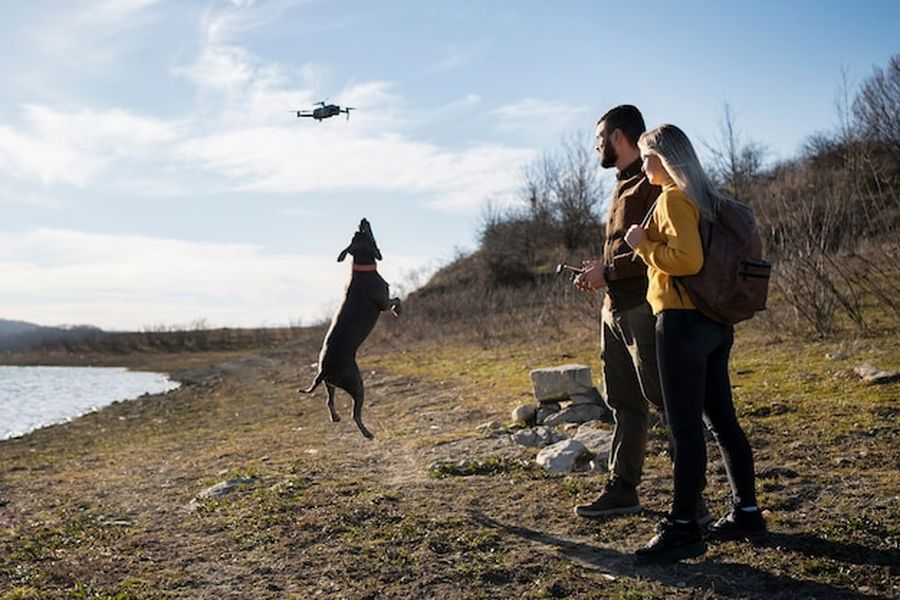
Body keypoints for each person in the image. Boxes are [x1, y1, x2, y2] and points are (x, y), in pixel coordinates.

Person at [624, 124, 766, 564]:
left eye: (648, 156)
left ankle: (684, 526)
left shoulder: (671, 198)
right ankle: (747, 511)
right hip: (713, 320)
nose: (644, 164)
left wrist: (642, 246)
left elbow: (688, 260)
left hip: (681, 320)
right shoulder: (706, 199)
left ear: (664, 159)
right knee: (721, 418)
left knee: (685, 427)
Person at [571, 105, 670, 519]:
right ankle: (623, 489)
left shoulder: (653, 183)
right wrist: (598, 274)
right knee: (623, 404)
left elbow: (655, 247)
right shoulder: (620, 185)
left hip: (643, 309)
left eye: (600, 139)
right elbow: (621, 247)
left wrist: (606, 271)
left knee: (666, 402)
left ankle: (693, 500)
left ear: (617, 138)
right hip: (613, 310)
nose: (596, 146)